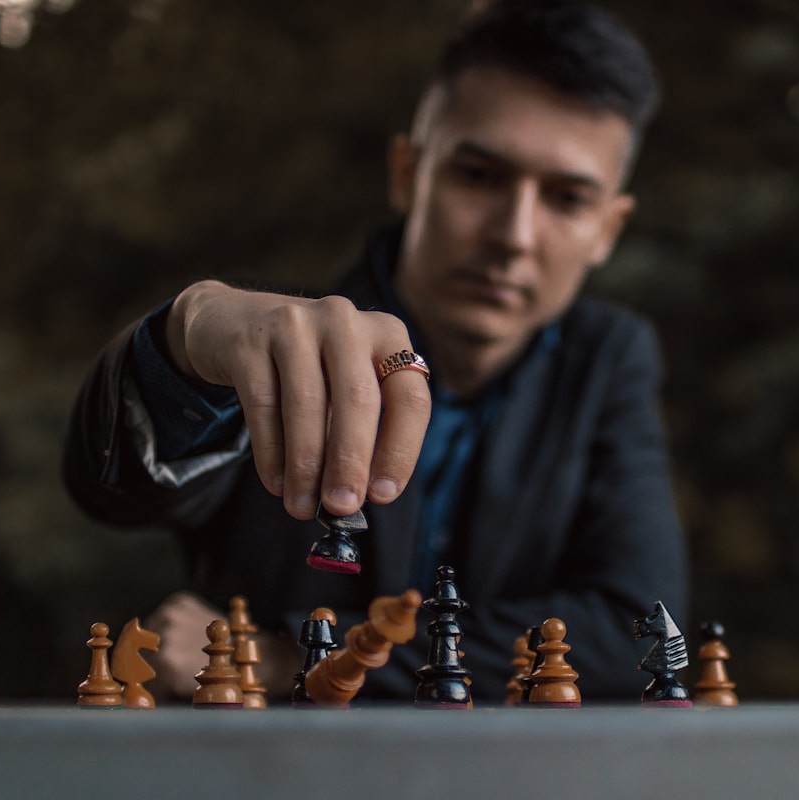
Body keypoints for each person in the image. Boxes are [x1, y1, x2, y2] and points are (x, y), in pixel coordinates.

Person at [62, 0, 686, 702]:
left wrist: (298, 657)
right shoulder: (277, 341)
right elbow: (107, 488)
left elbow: (637, 630)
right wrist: (183, 338)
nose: (514, 234)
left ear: (609, 229)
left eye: (568, 199)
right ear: (406, 173)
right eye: (477, 176)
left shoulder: (608, 360)